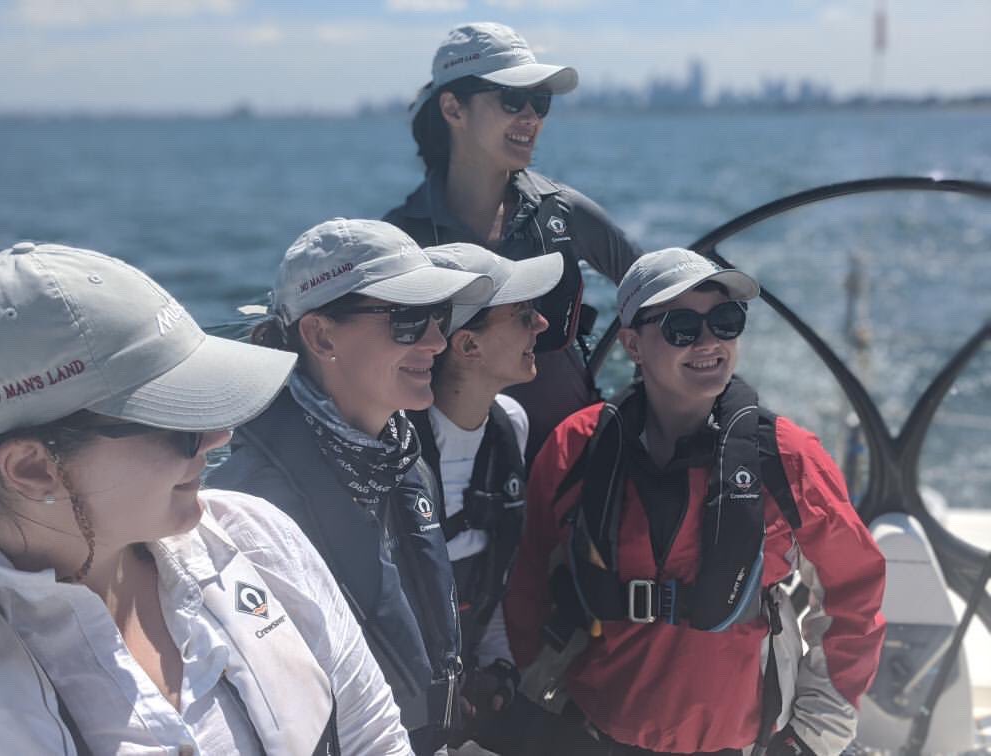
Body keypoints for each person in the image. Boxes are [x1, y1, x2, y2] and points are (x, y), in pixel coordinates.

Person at [0, 242, 412, 754]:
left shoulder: (259, 538)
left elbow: (375, 739)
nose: (218, 436)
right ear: (33, 469)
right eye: (176, 420)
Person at [504, 248, 887, 755]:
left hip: (743, 741)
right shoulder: (577, 447)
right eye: (682, 327)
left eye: (726, 321)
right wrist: (534, 691)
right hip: (590, 730)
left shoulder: (787, 456)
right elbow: (528, 581)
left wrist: (814, 737)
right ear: (632, 345)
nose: (709, 342)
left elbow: (855, 592)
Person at [208, 219, 493, 756]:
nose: (437, 341)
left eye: (439, 317)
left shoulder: (400, 456)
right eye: (408, 320)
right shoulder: (246, 509)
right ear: (321, 335)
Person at [384, 21, 643, 462]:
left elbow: (656, 293)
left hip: (572, 473)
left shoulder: (565, 211)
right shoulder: (403, 238)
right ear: (453, 109)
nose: (531, 118)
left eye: (540, 102)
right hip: (455, 483)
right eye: (512, 99)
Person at [407, 243, 562, 750]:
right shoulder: (394, 449)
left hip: (470, 683)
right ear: (468, 346)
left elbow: (495, 576)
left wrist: (498, 668)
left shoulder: (509, 426)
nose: (540, 324)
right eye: (522, 315)